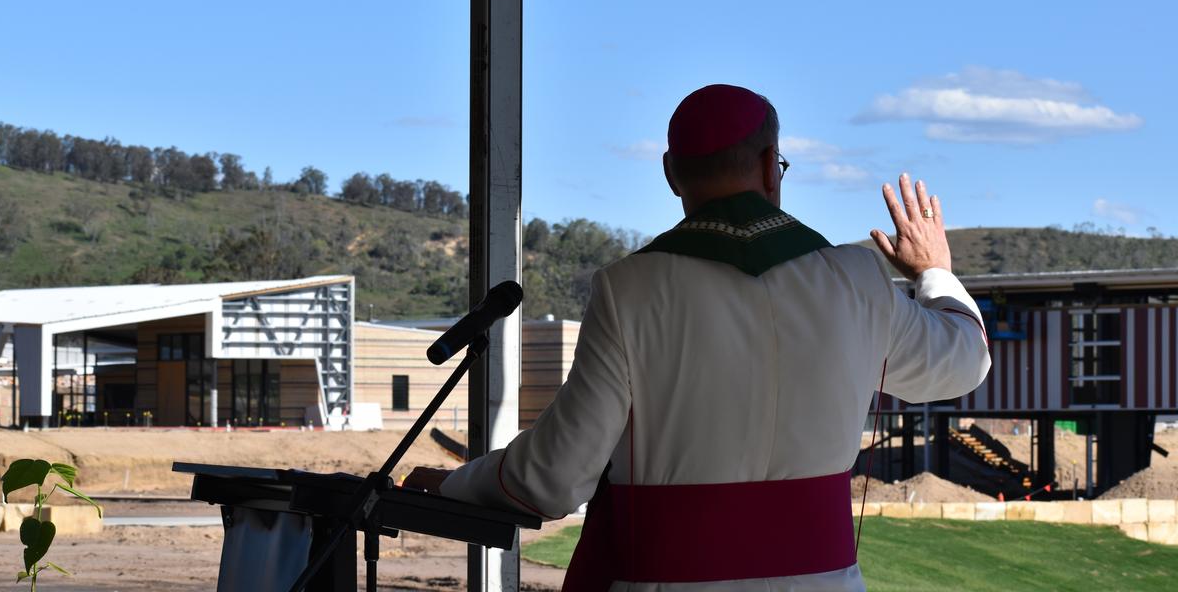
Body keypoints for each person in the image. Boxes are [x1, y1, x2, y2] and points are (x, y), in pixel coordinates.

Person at [405, 84, 990, 590]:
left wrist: (455, 483)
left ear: (669, 173)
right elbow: (965, 362)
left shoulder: (628, 290)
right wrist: (933, 269)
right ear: (769, 166)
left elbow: (554, 479)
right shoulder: (857, 281)